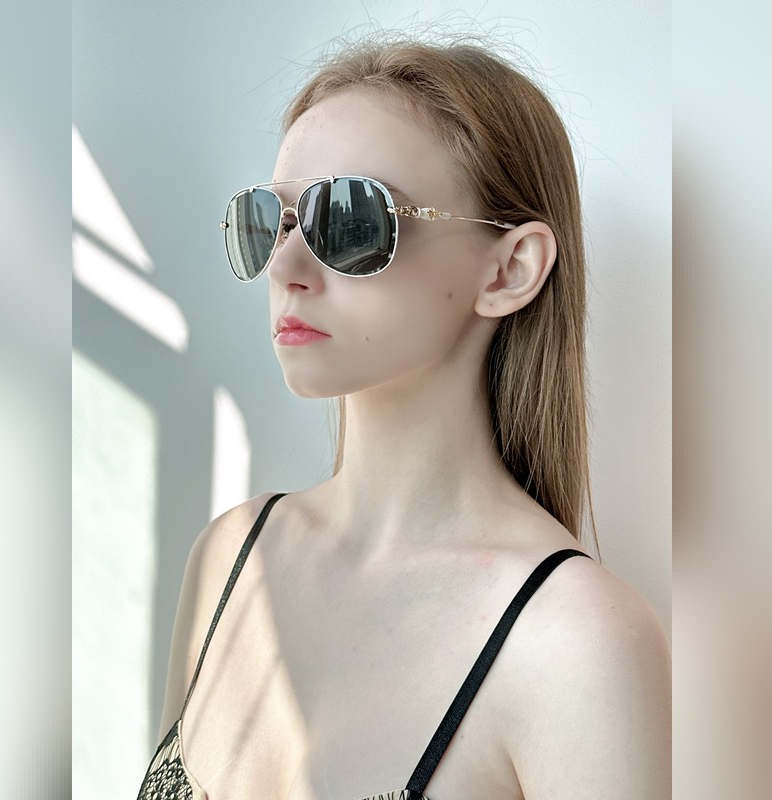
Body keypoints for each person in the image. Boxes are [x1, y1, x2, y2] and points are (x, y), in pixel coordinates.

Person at [137, 36, 671, 800]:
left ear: (509, 269)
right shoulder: (226, 558)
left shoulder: (577, 643)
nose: (285, 268)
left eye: (350, 219)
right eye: (271, 221)